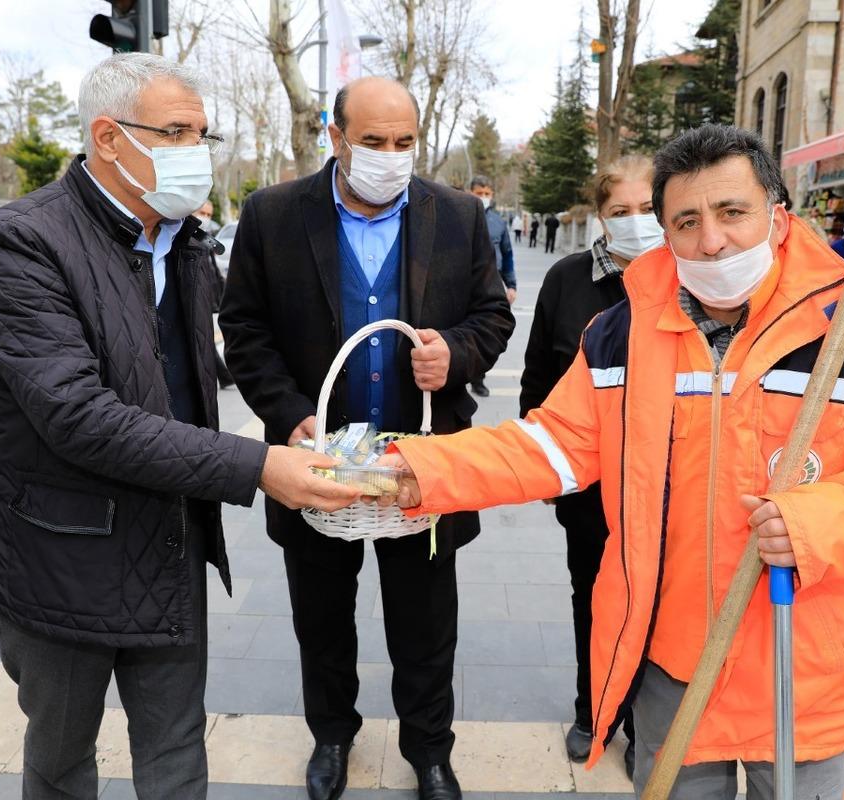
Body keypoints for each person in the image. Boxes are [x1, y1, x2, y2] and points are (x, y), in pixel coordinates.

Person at [377, 124, 844, 799]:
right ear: (666, 232)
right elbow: (550, 444)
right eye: (687, 221)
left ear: (777, 216)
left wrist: (821, 524)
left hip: (802, 664)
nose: (711, 241)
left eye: (732, 212)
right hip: (671, 661)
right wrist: (415, 470)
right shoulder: (621, 336)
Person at [0, 54, 359, 800]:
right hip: (63, 556)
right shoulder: (22, 241)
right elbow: (78, 416)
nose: (195, 151)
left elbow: (202, 362)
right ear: (107, 138)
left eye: (201, 134)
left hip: (170, 539)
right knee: (60, 760)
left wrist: (293, 416)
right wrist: (257, 466)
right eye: (176, 132)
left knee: (178, 751)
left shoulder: (183, 240)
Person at [220, 76, 514, 800]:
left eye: (404, 141)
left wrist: (456, 354)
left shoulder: (457, 215)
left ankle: (430, 751)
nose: (390, 154)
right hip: (317, 468)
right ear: (337, 136)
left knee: (427, 622)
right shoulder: (273, 215)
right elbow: (245, 328)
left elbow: (492, 315)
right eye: (373, 141)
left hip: (423, 468)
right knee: (321, 618)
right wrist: (291, 413)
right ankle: (331, 737)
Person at [520, 154, 663, 778]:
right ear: (601, 218)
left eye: (649, 208)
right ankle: (594, 710)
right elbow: (538, 378)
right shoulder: (567, 279)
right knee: (595, 599)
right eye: (621, 210)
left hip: (670, 484)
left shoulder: (689, 274)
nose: (636, 221)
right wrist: (542, 465)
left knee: (662, 606)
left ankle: (645, 725)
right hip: (591, 486)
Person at [468, 175, 516, 398]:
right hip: (463, 283)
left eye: (487, 194)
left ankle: (478, 378)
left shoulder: (499, 222)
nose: (483, 197)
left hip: (491, 284)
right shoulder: (458, 216)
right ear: (470, 193)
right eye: (479, 194)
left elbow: (507, 255)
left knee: (486, 330)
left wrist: (511, 285)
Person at [194, 200, 235, 390]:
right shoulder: (183, 234)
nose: (206, 218)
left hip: (209, 294)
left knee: (205, 336)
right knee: (202, 337)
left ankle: (224, 375)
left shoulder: (205, 236)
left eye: (209, 215)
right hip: (196, 294)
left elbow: (214, 266)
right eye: (202, 213)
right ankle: (224, 375)